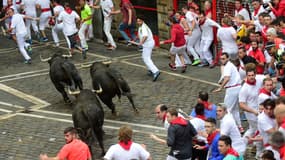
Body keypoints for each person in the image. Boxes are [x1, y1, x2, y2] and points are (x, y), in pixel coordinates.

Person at [213, 53, 243, 131]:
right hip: (237, 88)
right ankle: (240, 127)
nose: (222, 60)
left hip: (232, 89)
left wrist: (220, 87)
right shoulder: (230, 65)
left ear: (227, 58)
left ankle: (224, 128)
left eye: (223, 59)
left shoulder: (228, 66)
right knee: (235, 110)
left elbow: (227, 78)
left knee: (226, 110)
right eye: (221, 59)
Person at [130, 17, 160, 82]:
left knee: (146, 58)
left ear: (142, 21)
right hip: (148, 43)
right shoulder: (141, 26)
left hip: (148, 44)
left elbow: (145, 36)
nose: (138, 23)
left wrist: (141, 43)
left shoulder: (143, 27)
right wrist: (134, 40)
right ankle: (150, 70)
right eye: (137, 21)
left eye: (139, 21)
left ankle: (155, 71)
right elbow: (139, 35)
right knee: (145, 57)